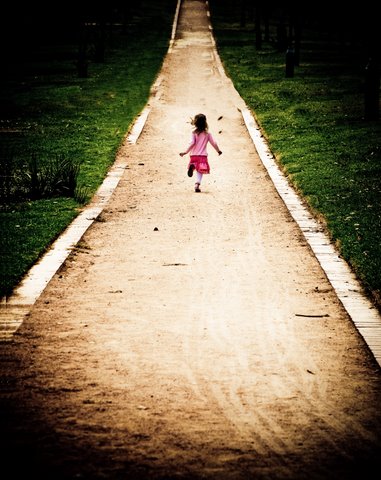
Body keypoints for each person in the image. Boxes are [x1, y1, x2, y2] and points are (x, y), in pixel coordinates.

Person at [179, 113, 222, 192]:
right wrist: (218, 151)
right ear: (205, 123)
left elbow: (192, 143)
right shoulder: (207, 134)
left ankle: (192, 166)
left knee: (196, 166)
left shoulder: (193, 133)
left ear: (196, 123)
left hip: (193, 155)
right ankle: (197, 184)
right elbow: (214, 143)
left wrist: (185, 152)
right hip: (202, 156)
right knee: (200, 170)